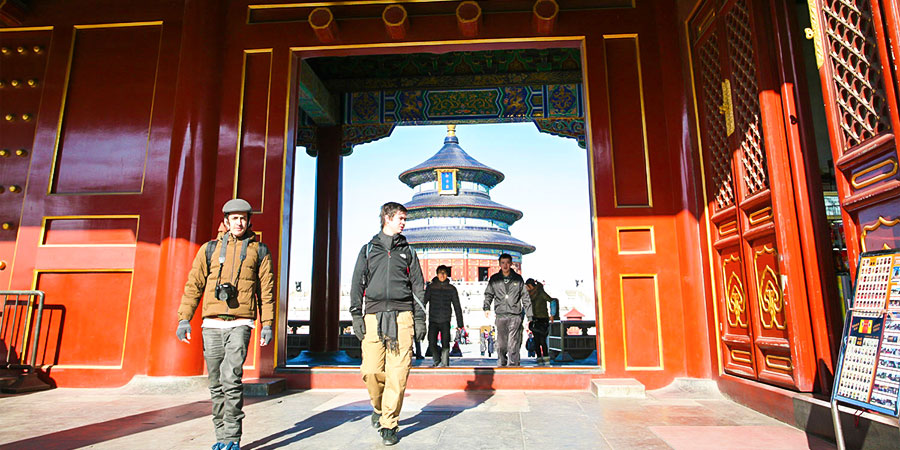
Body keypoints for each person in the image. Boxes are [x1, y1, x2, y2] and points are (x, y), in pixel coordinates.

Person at [176, 198, 275, 450]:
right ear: (225, 222)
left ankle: (232, 436)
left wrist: (268, 324)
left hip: (241, 322)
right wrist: (184, 318)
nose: (239, 222)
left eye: (243, 218)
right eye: (234, 218)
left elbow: (267, 291)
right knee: (215, 382)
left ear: (249, 221)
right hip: (211, 324)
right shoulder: (208, 249)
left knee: (231, 378)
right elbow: (193, 285)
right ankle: (220, 436)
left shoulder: (259, 251)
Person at [349, 202, 427, 446]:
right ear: (387, 218)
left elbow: (418, 287)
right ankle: (379, 406)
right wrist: (355, 315)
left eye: (404, 219)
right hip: (373, 316)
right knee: (370, 370)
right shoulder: (368, 249)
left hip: (402, 317)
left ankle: (389, 423)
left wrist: (420, 319)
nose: (404, 223)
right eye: (400, 218)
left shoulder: (409, 252)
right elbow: (356, 284)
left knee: (398, 373)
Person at [483, 253, 532, 367]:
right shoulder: (494, 279)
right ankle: (502, 363)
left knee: (513, 343)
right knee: (501, 344)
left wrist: (529, 316)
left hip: (515, 315)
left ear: (511, 264)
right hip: (500, 315)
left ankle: (513, 366)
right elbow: (488, 293)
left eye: (507, 263)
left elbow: (525, 297)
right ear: (499, 264)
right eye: (502, 263)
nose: (505, 265)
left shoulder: (518, 279)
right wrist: (486, 307)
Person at [424, 265, 464, 367]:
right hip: (433, 319)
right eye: (440, 273)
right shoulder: (431, 287)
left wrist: (460, 323)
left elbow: (457, 306)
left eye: (444, 273)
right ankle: (437, 361)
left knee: (445, 343)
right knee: (431, 342)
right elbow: (423, 302)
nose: (442, 275)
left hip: (445, 319)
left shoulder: (451, 289)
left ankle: (445, 363)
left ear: (447, 275)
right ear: (437, 274)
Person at [525, 278, 553, 366]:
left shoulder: (540, 293)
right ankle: (540, 358)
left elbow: (552, 300)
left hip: (543, 319)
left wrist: (552, 314)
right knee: (537, 340)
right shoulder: (528, 295)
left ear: (530, 286)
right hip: (535, 320)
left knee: (542, 340)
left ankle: (545, 357)